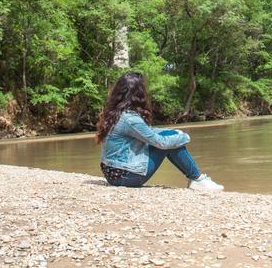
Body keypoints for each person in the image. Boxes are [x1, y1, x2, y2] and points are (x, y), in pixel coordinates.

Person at [96, 71, 224, 192]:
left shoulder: (115, 113)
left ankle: (196, 179)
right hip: (126, 177)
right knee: (170, 143)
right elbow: (161, 143)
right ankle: (197, 179)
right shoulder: (131, 119)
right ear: (138, 94)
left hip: (111, 174)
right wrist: (184, 136)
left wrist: (171, 131)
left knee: (170, 136)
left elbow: (147, 131)